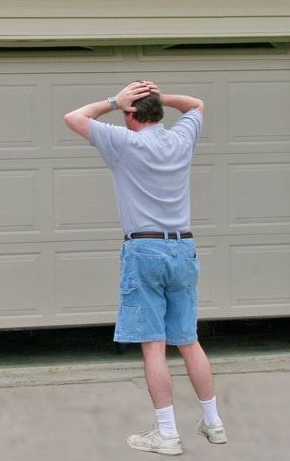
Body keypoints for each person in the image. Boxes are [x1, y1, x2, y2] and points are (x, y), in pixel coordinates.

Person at [63, 80, 226, 456]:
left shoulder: (124, 143)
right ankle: (214, 423)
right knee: (188, 340)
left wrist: (113, 100)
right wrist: (157, 97)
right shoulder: (181, 139)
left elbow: (73, 117)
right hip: (182, 247)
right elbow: (197, 103)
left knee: (154, 346)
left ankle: (167, 434)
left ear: (130, 114)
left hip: (144, 250)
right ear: (158, 112)